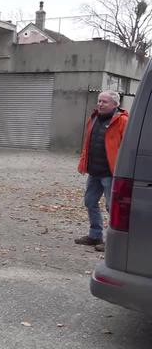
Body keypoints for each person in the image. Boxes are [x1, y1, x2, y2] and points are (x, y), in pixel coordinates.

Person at [75, 90, 129, 252]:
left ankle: (113, 241)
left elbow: (127, 148)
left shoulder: (123, 121)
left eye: (104, 102)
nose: (100, 104)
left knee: (112, 207)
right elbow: (88, 143)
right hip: (94, 171)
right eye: (99, 101)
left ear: (115, 104)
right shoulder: (94, 118)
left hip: (111, 173)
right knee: (90, 202)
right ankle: (95, 235)